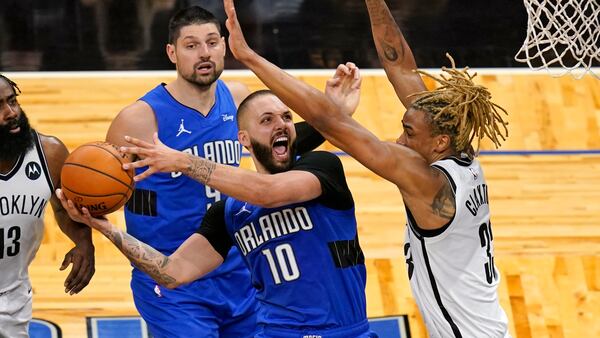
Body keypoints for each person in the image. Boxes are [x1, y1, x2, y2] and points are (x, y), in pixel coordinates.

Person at [219, 0, 511, 336]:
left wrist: (250, 57)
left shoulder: (429, 183)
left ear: (439, 143)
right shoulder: (456, 145)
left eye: (409, 133)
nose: (400, 140)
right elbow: (401, 67)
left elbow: (328, 121)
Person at [57, 85, 377, 337]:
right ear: (243, 140)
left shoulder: (322, 169)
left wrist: (181, 160)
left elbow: (267, 192)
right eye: (267, 120)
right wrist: (108, 229)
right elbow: (173, 271)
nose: (281, 124)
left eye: (287, 118)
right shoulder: (229, 214)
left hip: (345, 331)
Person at [105, 5, 326, 338]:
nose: (204, 53)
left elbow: (276, 148)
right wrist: (84, 243)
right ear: (172, 53)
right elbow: (100, 191)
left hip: (238, 268)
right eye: (191, 45)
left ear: (224, 46)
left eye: (211, 42)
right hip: (172, 279)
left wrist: (331, 117)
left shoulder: (238, 98)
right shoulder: (139, 118)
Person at [0, 74, 96, 338]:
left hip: (13, 298)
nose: (11, 113)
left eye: (12, 101)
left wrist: (84, 241)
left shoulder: (49, 153)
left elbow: (64, 208)